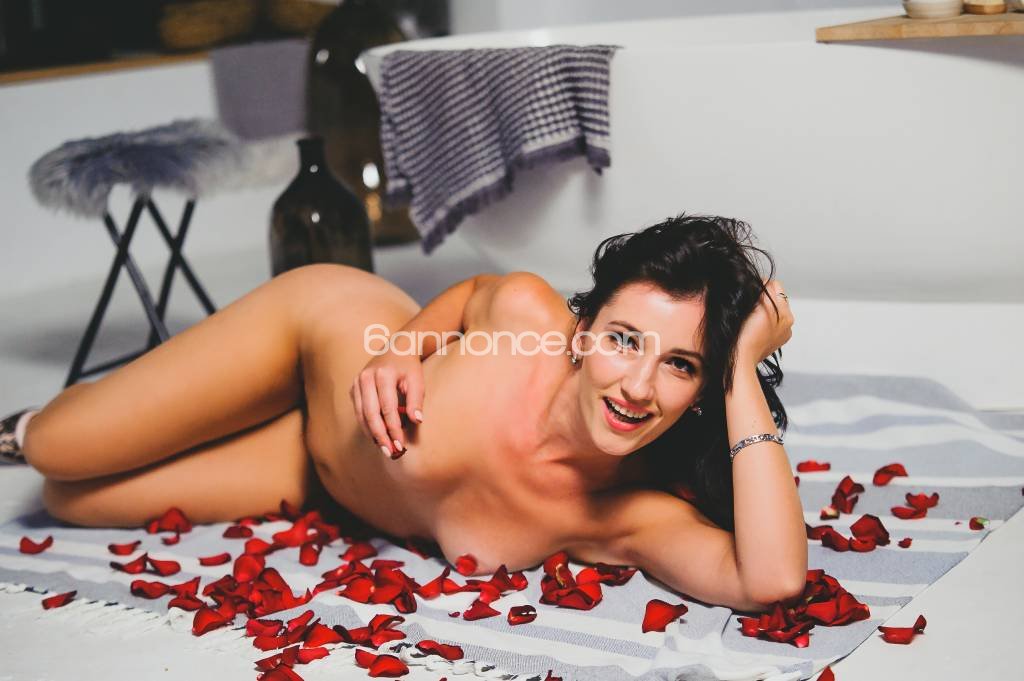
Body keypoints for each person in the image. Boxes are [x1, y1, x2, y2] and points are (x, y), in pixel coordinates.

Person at [1, 213, 805, 613]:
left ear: (704, 390)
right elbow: (473, 294)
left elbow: (770, 578)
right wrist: (398, 348)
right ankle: (25, 422)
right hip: (316, 334)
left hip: (315, 470)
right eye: (624, 339)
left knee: (75, 500)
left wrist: (737, 362)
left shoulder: (628, 515)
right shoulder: (528, 317)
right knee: (60, 451)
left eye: (681, 365)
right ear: (584, 327)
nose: (636, 385)